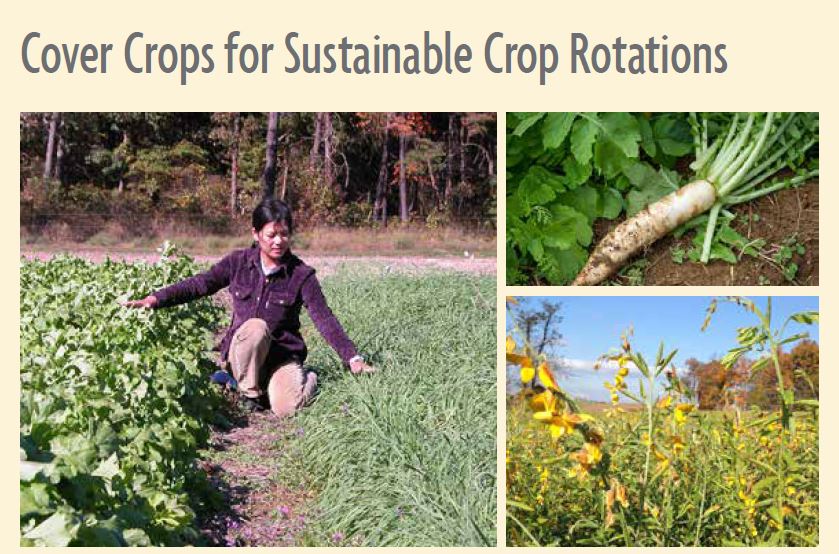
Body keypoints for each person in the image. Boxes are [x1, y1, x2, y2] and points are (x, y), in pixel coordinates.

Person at [122, 198, 374, 416]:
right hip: (242, 354)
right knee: (255, 327)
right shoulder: (237, 263)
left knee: (288, 409)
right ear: (256, 234)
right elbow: (200, 284)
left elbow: (325, 319)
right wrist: (154, 299)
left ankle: (304, 378)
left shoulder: (301, 275)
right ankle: (249, 393)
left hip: (280, 358)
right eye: (271, 235)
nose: (278, 241)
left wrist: (353, 358)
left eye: (284, 234)